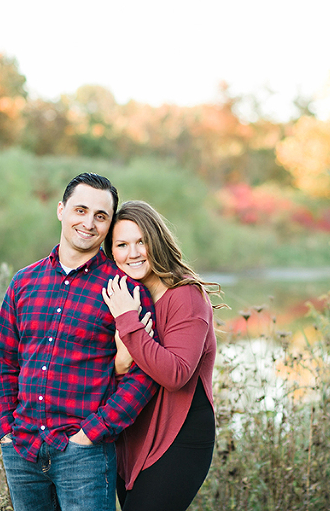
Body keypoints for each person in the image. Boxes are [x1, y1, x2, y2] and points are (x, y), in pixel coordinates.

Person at [0, 174, 158, 511]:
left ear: (109, 225)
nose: (88, 223)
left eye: (101, 216)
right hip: (22, 449)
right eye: (80, 210)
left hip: (85, 455)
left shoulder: (125, 290)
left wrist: (93, 433)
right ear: (61, 210)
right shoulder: (24, 282)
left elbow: (144, 373)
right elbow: (3, 359)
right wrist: (6, 429)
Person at [101, 200, 219, 511]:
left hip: (178, 436)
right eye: (122, 244)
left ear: (157, 241)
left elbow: (176, 374)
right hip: (130, 436)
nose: (134, 252)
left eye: (142, 242)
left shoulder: (186, 296)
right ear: (111, 253)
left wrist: (127, 320)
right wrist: (118, 364)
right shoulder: (120, 295)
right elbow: (97, 367)